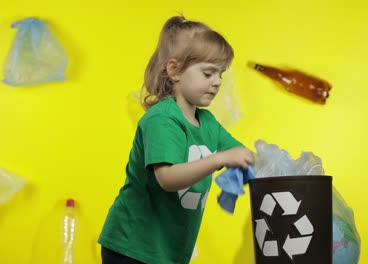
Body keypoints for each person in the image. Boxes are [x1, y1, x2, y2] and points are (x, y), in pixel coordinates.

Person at [98, 15, 255, 264]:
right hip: (132, 246)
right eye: (208, 73)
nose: (217, 82)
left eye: (220, 74)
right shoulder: (161, 119)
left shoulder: (208, 123)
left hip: (167, 250)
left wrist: (269, 164)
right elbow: (167, 178)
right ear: (175, 70)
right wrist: (220, 159)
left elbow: (240, 153)